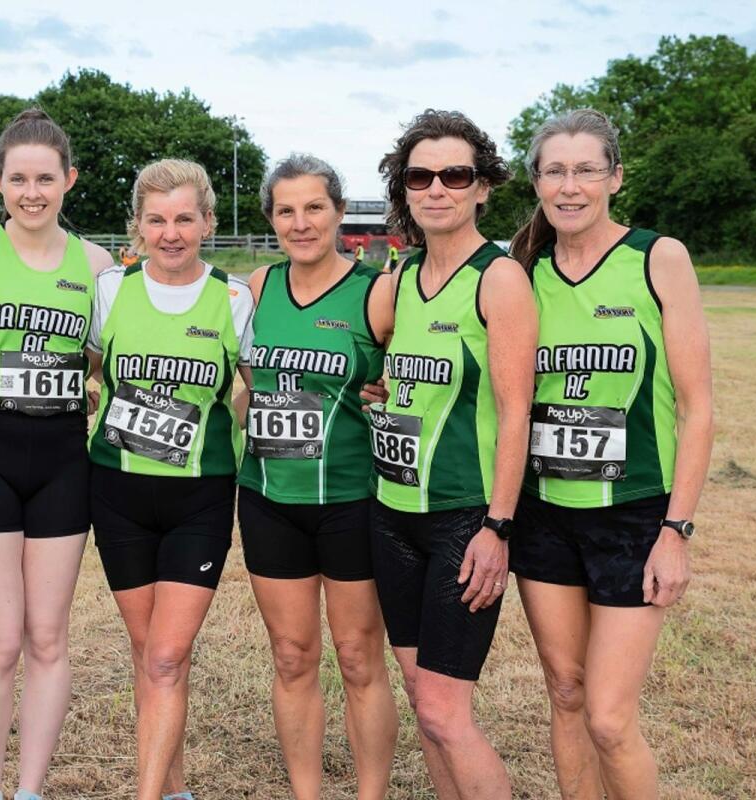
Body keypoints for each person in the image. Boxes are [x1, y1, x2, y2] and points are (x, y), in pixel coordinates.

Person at [508, 109, 713, 799]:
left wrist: (676, 531)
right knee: (566, 693)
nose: (570, 186)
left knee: (608, 717)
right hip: (543, 514)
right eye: (555, 171)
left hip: (634, 517)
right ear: (537, 182)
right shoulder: (521, 272)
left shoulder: (659, 258)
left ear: (615, 178)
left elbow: (697, 408)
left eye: (586, 170)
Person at [0, 108, 112, 800]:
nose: (32, 192)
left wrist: (94, 384)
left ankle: (30, 790)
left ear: (69, 179)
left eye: (46, 179)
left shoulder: (97, 265)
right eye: (19, 179)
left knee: (48, 637)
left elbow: (106, 361)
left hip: (63, 455)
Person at [372, 109, 537, 799]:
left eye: (455, 175)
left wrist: (498, 527)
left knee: (445, 710)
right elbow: (383, 372)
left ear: (483, 187)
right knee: (422, 698)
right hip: (391, 512)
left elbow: (516, 411)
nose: (436, 188)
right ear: (403, 189)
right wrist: (379, 391)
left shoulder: (498, 278)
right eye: (420, 176)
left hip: (464, 519)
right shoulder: (399, 278)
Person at [87, 159, 254, 800]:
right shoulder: (110, 290)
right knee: (151, 654)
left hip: (199, 498)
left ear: (208, 221)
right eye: (156, 220)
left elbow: (256, 388)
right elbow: (89, 368)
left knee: (164, 656)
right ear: (138, 225)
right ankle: (175, 786)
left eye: (185, 218)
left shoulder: (235, 299)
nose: (171, 233)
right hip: (118, 492)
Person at [238, 153, 398, 800]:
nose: (300, 223)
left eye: (313, 208)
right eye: (286, 211)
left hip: (351, 500)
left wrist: (387, 391)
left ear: (339, 212)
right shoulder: (256, 286)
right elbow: (241, 379)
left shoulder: (377, 292)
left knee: (358, 659)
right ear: (271, 218)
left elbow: (411, 377)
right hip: (269, 497)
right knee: (292, 655)